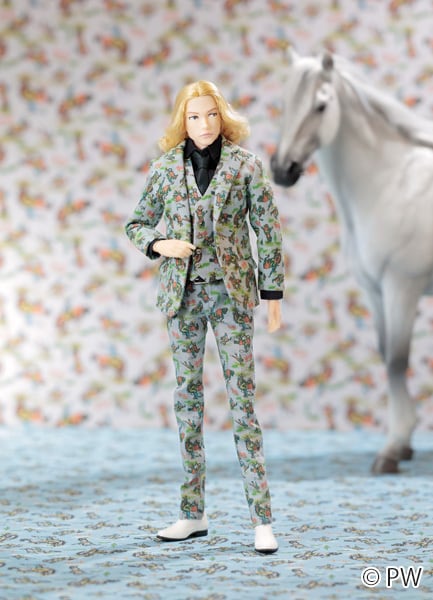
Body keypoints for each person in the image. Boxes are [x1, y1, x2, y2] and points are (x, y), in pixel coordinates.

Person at [125, 80, 284, 554]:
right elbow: (136, 223)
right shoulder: (164, 168)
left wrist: (273, 295)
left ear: (223, 116)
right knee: (187, 400)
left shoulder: (246, 165)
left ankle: (261, 518)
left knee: (242, 402)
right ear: (183, 121)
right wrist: (160, 244)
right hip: (183, 296)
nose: (204, 124)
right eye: (194, 116)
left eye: (211, 114)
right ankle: (192, 512)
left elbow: (267, 230)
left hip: (232, 295)